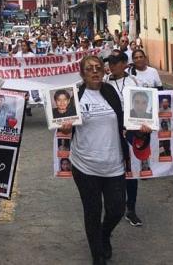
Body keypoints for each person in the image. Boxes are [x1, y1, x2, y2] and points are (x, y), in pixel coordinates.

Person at [59, 55, 132, 265]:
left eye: (98, 68)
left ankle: (104, 233)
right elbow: (65, 121)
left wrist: (140, 127)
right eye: (89, 68)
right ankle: (97, 255)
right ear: (82, 73)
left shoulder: (110, 92)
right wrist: (65, 126)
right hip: (84, 166)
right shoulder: (74, 95)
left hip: (114, 165)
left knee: (117, 209)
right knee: (92, 211)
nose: (94, 71)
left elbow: (123, 122)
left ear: (104, 71)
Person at [103, 52, 144, 227]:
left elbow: (146, 102)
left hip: (131, 131)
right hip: (110, 131)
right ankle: (113, 204)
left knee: (131, 170)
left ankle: (131, 208)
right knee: (112, 168)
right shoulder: (104, 82)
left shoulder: (135, 81)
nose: (112, 66)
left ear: (124, 64)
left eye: (115, 62)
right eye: (110, 63)